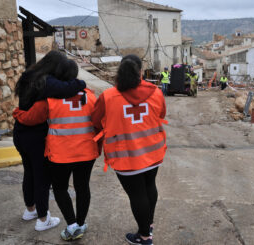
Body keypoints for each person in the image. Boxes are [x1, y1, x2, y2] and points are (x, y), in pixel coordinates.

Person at [13, 59, 99, 241]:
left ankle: (72, 225)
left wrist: (17, 113)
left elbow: (31, 118)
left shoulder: (50, 100)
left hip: (60, 155)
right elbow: (99, 122)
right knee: (83, 187)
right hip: (86, 152)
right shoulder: (91, 96)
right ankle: (81, 222)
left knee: (60, 189)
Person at [92, 54, 167, 245]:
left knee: (137, 195)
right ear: (140, 72)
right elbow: (161, 113)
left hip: (125, 158)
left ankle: (144, 236)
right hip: (153, 153)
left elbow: (95, 120)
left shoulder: (108, 96)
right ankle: (148, 225)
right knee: (150, 187)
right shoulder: (156, 92)